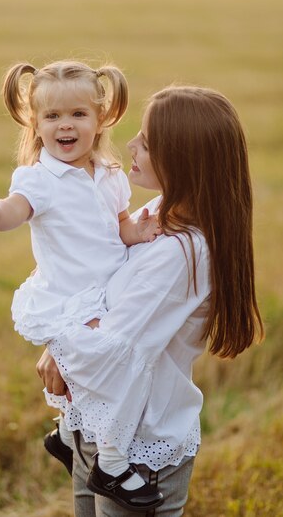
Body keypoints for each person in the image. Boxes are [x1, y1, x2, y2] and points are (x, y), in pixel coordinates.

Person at [36, 85, 264, 516]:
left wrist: (58, 351)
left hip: (139, 449)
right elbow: (99, 280)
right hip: (97, 427)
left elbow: (111, 348)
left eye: (148, 141)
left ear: (185, 159)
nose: (132, 145)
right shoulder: (162, 211)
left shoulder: (183, 253)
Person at [0, 61, 163, 511]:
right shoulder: (39, 179)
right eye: (52, 117)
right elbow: (16, 210)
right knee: (114, 370)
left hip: (107, 293)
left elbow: (119, 226)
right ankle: (111, 464)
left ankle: (67, 433)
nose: (64, 125)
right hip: (70, 299)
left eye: (77, 114)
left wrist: (139, 232)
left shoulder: (110, 174)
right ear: (36, 125)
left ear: (100, 119)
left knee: (98, 372)